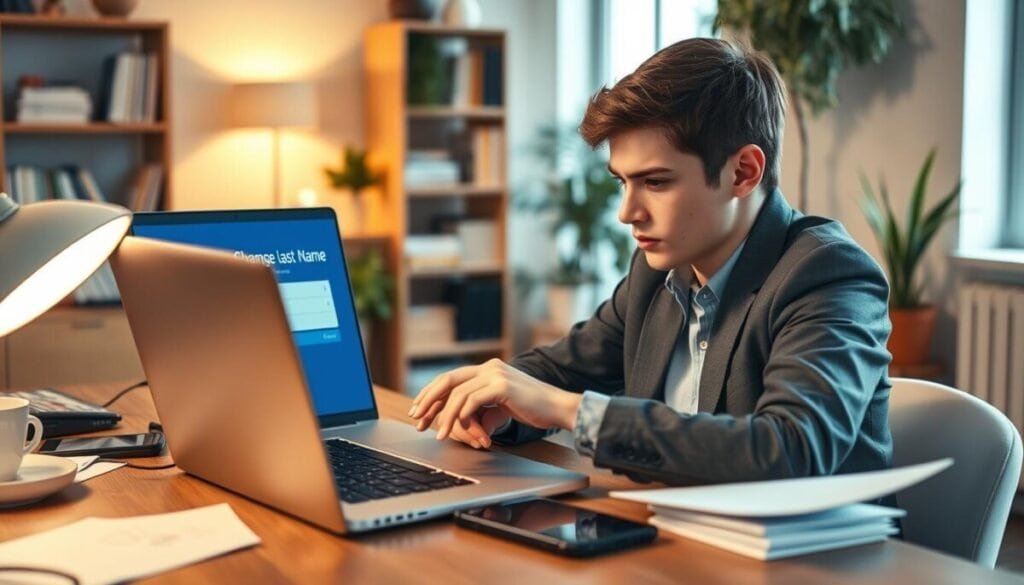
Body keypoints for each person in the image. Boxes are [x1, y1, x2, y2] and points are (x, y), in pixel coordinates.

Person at [408, 37, 892, 485]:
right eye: (623, 181)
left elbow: (789, 449)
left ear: (743, 172)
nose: (626, 213)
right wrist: (492, 398)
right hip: (679, 543)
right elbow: (557, 373)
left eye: (656, 182)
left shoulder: (827, 276)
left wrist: (567, 410)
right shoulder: (658, 275)